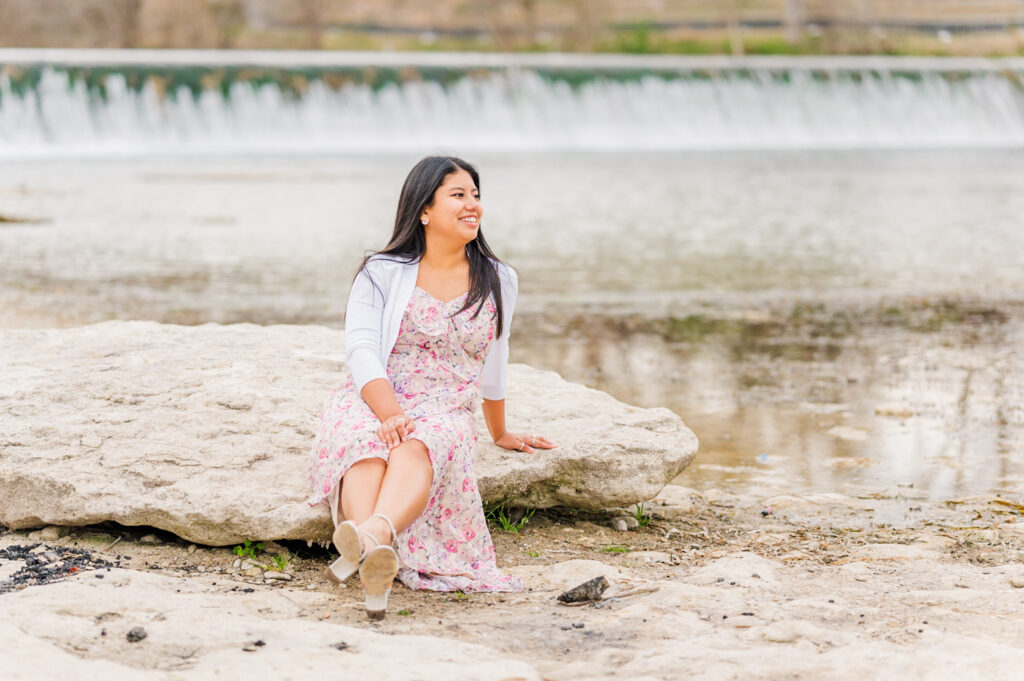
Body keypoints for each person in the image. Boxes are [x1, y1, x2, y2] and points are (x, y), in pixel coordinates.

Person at [305, 155, 556, 619]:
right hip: (379, 395)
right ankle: (374, 554)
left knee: (421, 443)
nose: (472, 206)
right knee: (366, 443)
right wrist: (389, 412)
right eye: (458, 195)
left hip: (445, 402)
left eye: (476, 196)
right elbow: (361, 351)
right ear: (424, 210)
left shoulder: (499, 279)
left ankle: (367, 543)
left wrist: (499, 432)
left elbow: (494, 363)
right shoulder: (380, 271)